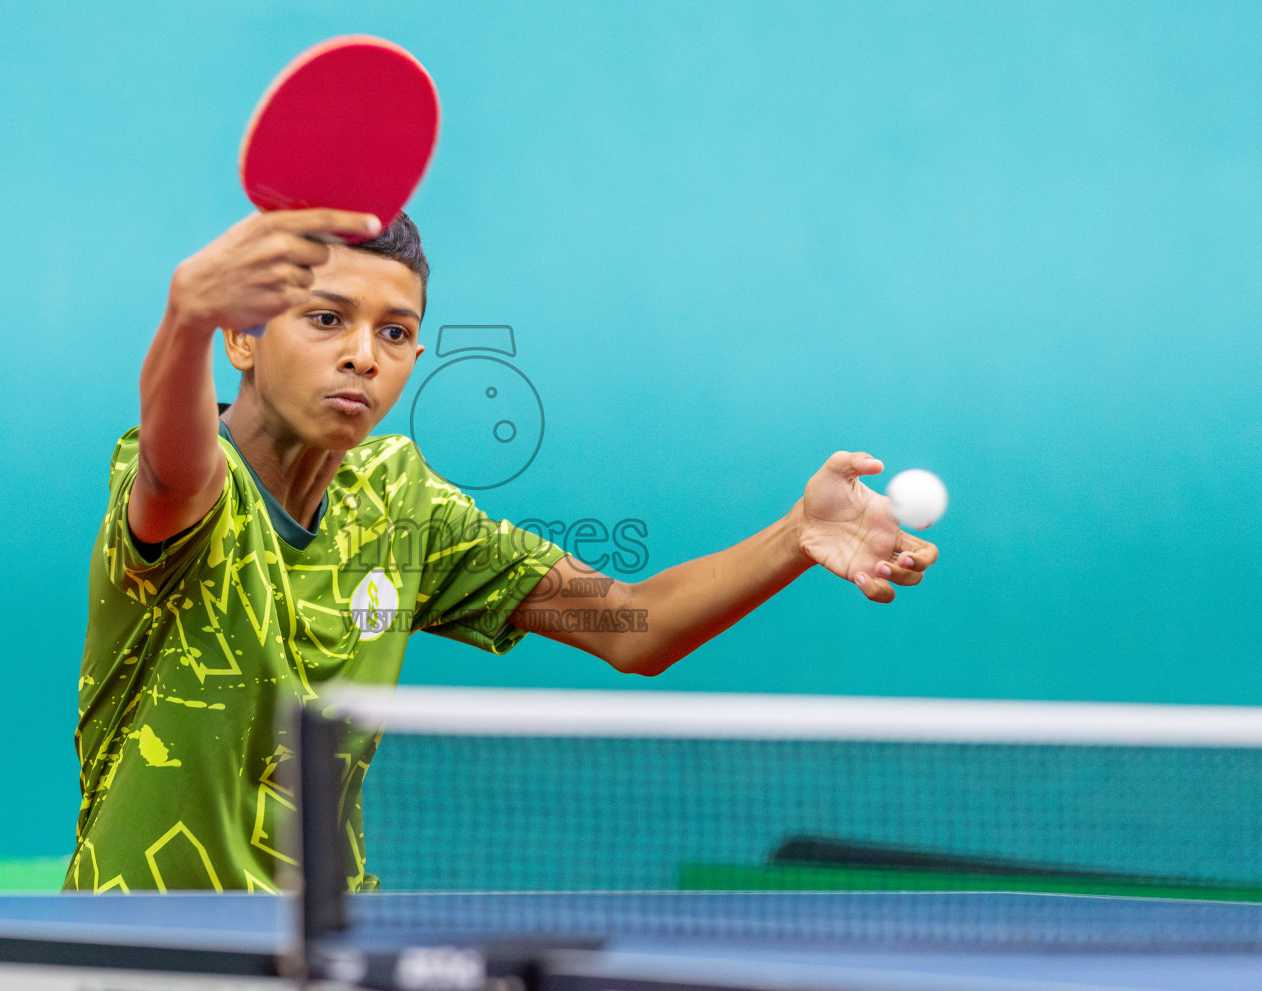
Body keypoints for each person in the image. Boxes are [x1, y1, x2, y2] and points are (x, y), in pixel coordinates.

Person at [66, 209, 938, 893]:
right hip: (150, 946)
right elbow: (176, 473)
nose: (365, 357)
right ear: (244, 337)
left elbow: (634, 629)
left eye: (396, 332)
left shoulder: (402, 502)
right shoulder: (180, 486)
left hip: (319, 946)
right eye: (327, 318)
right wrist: (183, 317)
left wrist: (798, 535)